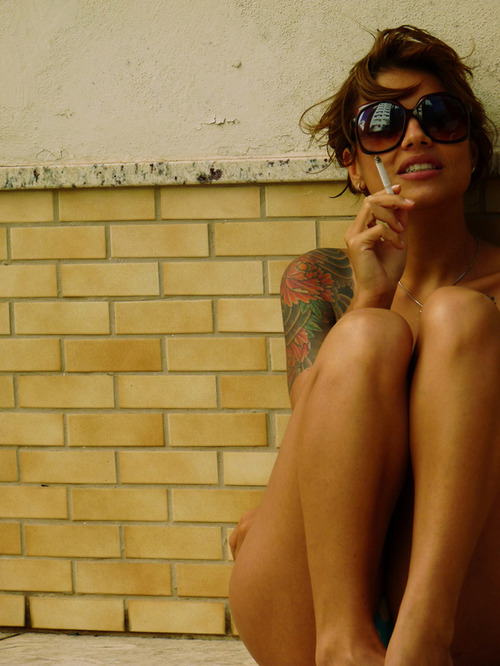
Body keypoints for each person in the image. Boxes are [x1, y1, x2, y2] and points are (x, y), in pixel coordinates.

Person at [228, 25, 500, 666]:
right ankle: (344, 646)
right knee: (368, 335)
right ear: (353, 164)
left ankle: (420, 641)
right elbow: (314, 440)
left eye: (440, 115)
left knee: (461, 316)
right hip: (311, 596)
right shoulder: (319, 279)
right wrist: (370, 298)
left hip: (461, 594)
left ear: (472, 148)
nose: (415, 135)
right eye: (382, 124)